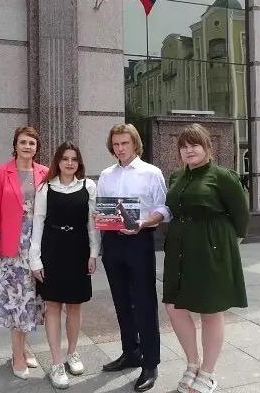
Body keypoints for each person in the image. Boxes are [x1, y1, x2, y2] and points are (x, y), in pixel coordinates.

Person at [163, 124, 249, 393]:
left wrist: (224, 248)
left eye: (194, 145)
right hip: (179, 249)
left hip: (211, 248)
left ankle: (208, 372)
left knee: (210, 310)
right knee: (174, 307)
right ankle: (192, 363)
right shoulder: (176, 176)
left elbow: (241, 215)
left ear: (207, 147)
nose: (188, 150)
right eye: (184, 146)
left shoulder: (222, 176)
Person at [97, 123, 170, 393]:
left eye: (124, 143)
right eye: (116, 144)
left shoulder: (151, 172)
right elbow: (101, 208)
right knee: (121, 301)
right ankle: (131, 352)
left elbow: (164, 209)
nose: (120, 149)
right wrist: (99, 217)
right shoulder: (106, 175)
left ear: (135, 143)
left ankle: (150, 363)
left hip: (140, 240)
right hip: (112, 242)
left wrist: (142, 222)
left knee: (144, 302)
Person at [29, 141, 99, 389]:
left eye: (74, 159)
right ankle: (56, 362)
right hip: (52, 250)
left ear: (79, 162)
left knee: (75, 305)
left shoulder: (88, 186)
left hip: (78, 250)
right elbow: (38, 223)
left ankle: (72, 353)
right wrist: (35, 259)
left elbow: (92, 224)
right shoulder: (45, 187)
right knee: (53, 305)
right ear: (57, 161)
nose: (69, 163)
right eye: (65, 158)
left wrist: (93, 253)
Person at [0, 126, 49, 379]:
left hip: (37, 245)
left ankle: (23, 348)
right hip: (12, 247)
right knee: (15, 300)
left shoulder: (45, 172)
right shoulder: (1, 172)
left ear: (36, 147)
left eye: (32, 143)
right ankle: (17, 355)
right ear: (15, 145)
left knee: (31, 299)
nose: (27, 146)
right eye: (23, 142)